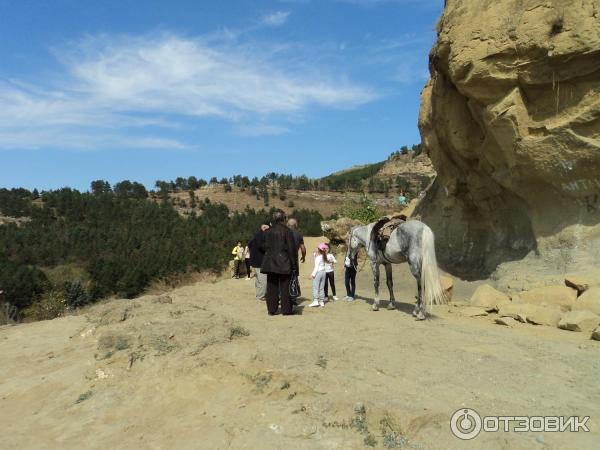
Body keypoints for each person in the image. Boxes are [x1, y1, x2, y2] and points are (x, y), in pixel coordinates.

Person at [260, 210, 298, 315]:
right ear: (283, 218)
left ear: (273, 219)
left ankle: (272, 310)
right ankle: (286, 310)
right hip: (284, 262)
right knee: (285, 287)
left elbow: (262, 246)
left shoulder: (267, 232)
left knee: (271, 287)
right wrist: (294, 265)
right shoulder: (287, 231)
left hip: (270, 262)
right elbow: (291, 249)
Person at [286, 218, 306, 304]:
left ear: (288, 225)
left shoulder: (284, 232)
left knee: (284, 279)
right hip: (294, 260)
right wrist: (304, 256)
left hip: (284, 259)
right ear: (296, 225)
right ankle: (293, 298)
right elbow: (303, 248)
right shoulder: (298, 234)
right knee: (293, 279)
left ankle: (282, 297)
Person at [248, 222, 270, 300]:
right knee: (263, 280)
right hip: (260, 261)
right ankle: (261, 296)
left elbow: (249, 244)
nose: (267, 229)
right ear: (262, 227)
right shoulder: (261, 235)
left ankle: (258, 295)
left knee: (258, 280)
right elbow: (262, 246)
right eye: (265, 227)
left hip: (255, 261)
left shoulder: (256, 235)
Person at [309, 243, 328, 307]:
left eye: (317, 248)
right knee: (321, 288)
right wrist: (315, 254)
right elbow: (316, 256)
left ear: (319, 249)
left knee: (316, 287)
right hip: (323, 273)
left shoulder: (318, 257)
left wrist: (312, 275)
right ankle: (321, 301)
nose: (316, 248)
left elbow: (316, 267)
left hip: (318, 273)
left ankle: (315, 301)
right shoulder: (323, 256)